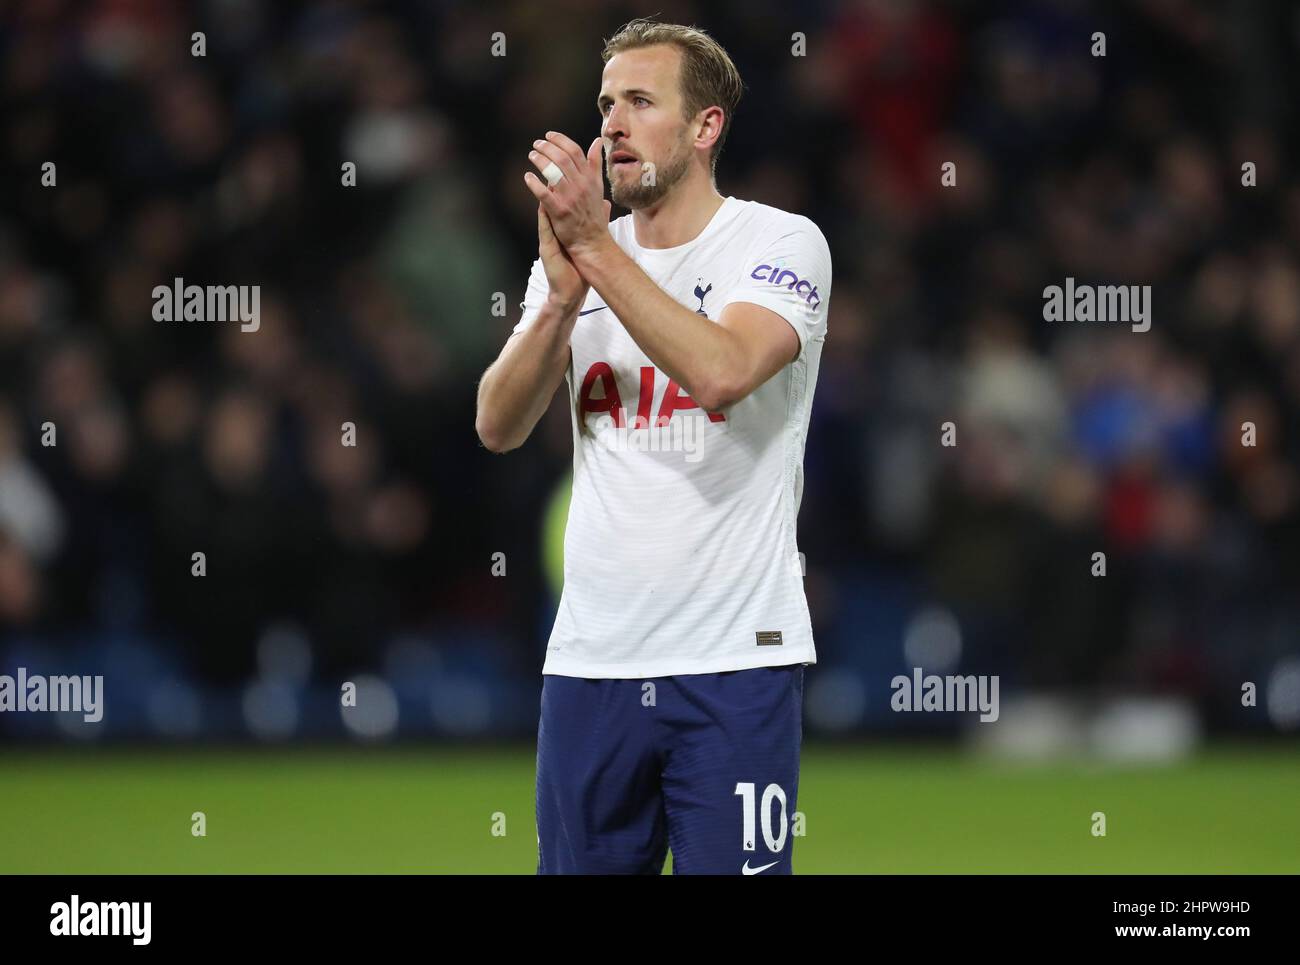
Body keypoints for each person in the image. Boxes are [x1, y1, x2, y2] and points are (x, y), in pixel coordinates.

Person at [475, 17, 832, 874]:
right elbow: (498, 423)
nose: (613, 124)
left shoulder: (780, 243)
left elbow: (723, 370)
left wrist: (596, 252)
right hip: (592, 663)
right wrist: (561, 301)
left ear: (706, 127)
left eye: (641, 101)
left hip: (734, 663)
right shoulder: (575, 267)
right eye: (605, 104)